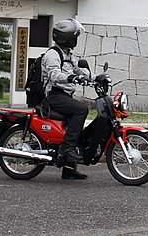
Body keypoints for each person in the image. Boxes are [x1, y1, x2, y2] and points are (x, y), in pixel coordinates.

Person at [41, 18, 91, 180]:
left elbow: (79, 71)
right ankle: (68, 148)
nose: (76, 40)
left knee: (75, 126)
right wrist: (71, 78)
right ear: (67, 37)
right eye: (74, 37)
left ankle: (69, 169)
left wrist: (97, 77)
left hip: (63, 95)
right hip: (53, 96)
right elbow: (54, 75)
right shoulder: (52, 54)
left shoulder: (67, 54)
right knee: (81, 109)